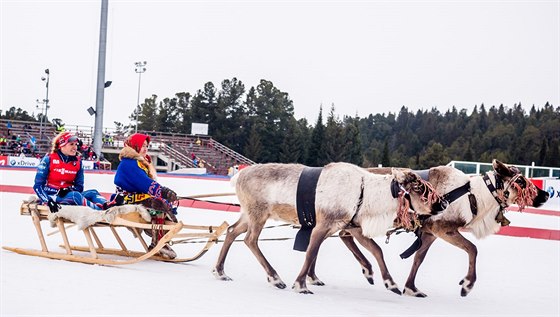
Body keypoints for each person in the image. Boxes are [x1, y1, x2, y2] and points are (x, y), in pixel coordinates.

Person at [113, 133, 178, 259]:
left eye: (147, 146)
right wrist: (163, 192)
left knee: (163, 204)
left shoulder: (142, 162)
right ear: (134, 146)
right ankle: (158, 242)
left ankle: (159, 237)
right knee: (158, 204)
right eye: (142, 145)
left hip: (139, 198)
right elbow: (144, 183)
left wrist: (165, 195)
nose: (145, 148)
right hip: (126, 200)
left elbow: (147, 184)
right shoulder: (129, 163)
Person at [33, 131, 116, 213]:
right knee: (75, 196)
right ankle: (102, 212)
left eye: (76, 144)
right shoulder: (48, 159)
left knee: (92, 192)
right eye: (71, 144)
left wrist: (68, 189)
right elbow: (37, 186)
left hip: (67, 195)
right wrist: (48, 201)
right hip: (52, 196)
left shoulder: (78, 163)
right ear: (62, 146)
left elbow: (79, 186)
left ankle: (108, 205)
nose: (75, 147)